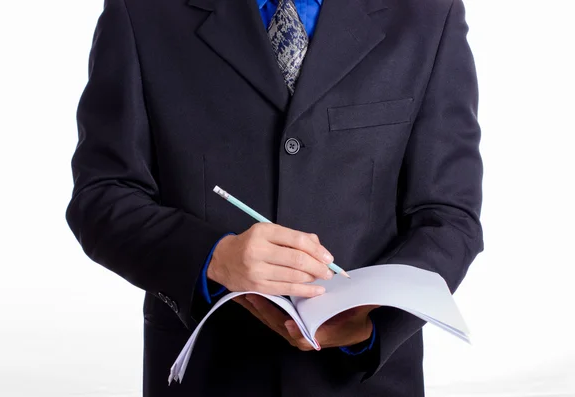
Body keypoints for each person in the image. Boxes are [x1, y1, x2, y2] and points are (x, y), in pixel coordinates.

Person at [66, 0, 484, 395]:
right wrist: (213, 258)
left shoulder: (428, 12)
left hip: (364, 380)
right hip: (206, 378)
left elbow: (449, 215)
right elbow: (101, 196)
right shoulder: (142, 11)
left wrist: (374, 321)